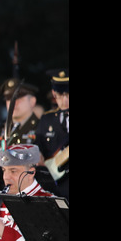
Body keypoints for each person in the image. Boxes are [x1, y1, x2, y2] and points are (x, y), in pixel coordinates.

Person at [0, 79, 41, 166]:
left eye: (19, 98)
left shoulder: (42, 128)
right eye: (9, 98)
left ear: (32, 101)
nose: (14, 103)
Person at [35, 69, 69, 201]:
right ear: (54, 93)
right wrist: (38, 154)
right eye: (60, 95)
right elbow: (38, 144)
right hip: (54, 184)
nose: (65, 100)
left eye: (68, 95)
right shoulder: (47, 119)